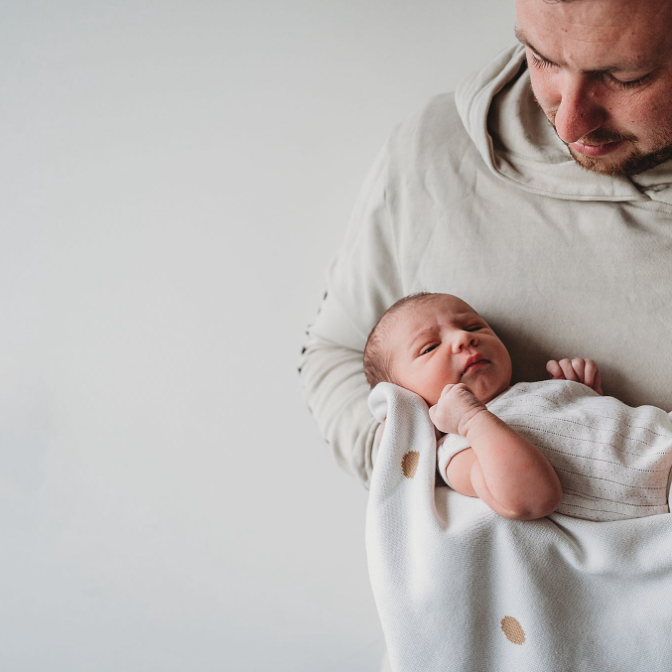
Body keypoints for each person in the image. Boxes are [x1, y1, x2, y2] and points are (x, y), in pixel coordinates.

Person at [299, 0, 672, 490]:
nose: (569, 124)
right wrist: (450, 470)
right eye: (541, 58)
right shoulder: (433, 148)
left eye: (626, 77)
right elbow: (338, 352)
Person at [363, 292, 672, 522]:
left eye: (473, 326)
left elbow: (586, 443)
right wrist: (470, 420)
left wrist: (579, 395)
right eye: (429, 347)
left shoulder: (528, 390)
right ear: (405, 398)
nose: (462, 338)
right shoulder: (458, 450)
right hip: (660, 492)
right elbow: (532, 498)